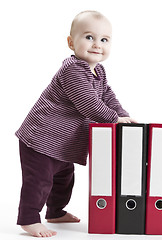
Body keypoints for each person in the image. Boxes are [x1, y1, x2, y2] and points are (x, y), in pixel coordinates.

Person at [15, 10, 136, 237]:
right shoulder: (72, 70)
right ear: (71, 42)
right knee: (39, 181)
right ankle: (29, 219)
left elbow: (107, 96)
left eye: (104, 39)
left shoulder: (98, 71)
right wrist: (113, 119)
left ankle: (55, 211)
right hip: (42, 137)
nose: (97, 44)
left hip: (62, 144)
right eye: (89, 37)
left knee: (63, 179)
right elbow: (88, 103)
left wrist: (123, 114)